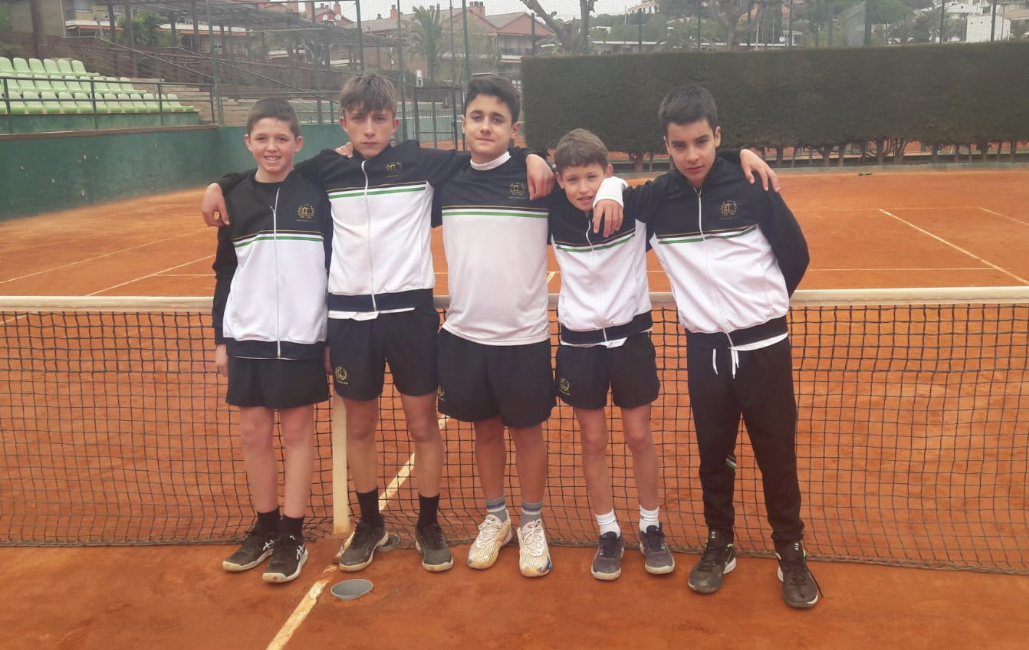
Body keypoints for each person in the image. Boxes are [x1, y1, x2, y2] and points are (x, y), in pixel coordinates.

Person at [202, 73, 553, 574]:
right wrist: (220, 184)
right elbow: (270, 168)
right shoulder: (325, 169)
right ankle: (371, 525)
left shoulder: (421, 163)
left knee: (422, 424)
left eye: (379, 119)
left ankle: (428, 525)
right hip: (349, 321)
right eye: (359, 119)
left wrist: (532, 155)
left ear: (395, 122)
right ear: (343, 122)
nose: (369, 129)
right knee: (361, 427)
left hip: (410, 317)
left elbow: (489, 152)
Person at [595, 86, 818, 608]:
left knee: (776, 455)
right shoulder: (657, 199)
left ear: (717, 136)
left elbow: (796, 254)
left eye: (701, 141)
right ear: (666, 146)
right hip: (706, 353)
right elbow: (607, 192)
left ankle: (790, 550)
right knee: (714, 456)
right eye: (679, 145)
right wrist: (607, 187)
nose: (691, 155)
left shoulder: (751, 184)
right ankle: (721, 542)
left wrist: (760, 308)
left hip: (765, 347)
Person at [213, 98, 331, 584]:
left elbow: (333, 267)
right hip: (248, 335)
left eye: (282, 138)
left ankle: (292, 536)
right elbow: (225, 272)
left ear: (298, 143)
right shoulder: (235, 198)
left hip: (303, 336)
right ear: (248, 143)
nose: (272, 147)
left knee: (297, 435)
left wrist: (329, 335)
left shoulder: (317, 193)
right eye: (262, 138)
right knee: (254, 434)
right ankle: (263, 527)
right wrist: (222, 338)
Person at [548, 128, 673, 580]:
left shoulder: (633, 210)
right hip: (579, 345)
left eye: (592, 177)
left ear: (607, 173)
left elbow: (675, 180)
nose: (583, 188)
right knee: (593, 441)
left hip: (630, 340)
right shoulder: (553, 214)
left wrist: (615, 189)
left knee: (639, 436)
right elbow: (518, 171)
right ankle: (608, 531)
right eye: (572, 179)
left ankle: (651, 526)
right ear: (559, 180)